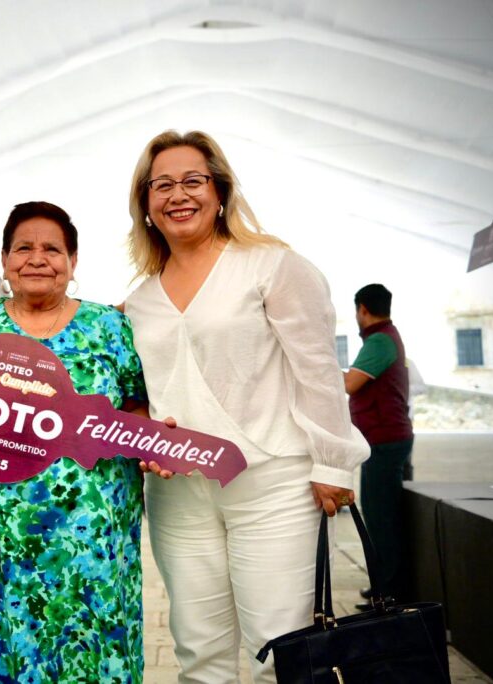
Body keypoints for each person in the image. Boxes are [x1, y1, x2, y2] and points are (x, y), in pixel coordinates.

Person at [122, 130, 370, 684]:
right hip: (179, 494)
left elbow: (317, 370)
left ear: (220, 190)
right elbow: (134, 394)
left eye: (193, 180)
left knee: (279, 653)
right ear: (146, 203)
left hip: (273, 485)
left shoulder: (271, 266)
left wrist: (333, 464)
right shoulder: (138, 300)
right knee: (199, 654)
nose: (178, 195)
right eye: (162, 185)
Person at [0, 201, 148, 682]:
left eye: (52, 249)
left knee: (84, 650)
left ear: (73, 261)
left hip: (87, 535)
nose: (37, 259)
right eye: (23, 248)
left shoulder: (109, 327)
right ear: (4, 260)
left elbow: (137, 404)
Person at [344, 284, 413, 603]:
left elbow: (350, 383)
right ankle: (384, 586)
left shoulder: (380, 340)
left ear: (362, 309)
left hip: (385, 439)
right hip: (383, 439)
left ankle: (390, 592)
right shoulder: (385, 337)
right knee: (378, 515)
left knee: (381, 518)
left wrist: (316, 371)